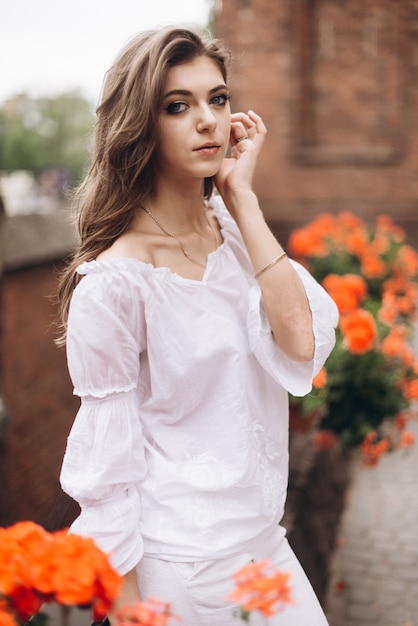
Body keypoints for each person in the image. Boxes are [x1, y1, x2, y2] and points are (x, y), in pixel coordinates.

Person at [58, 26, 338, 626]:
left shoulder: (232, 231)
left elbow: (302, 341)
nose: (207, 120)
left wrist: (243, 198)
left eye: (217, 98)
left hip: (265, 548)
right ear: (140, 125)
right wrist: (134, 615)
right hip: (180, 570)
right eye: (178, 106)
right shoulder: (113, 284)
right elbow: (107, 478)